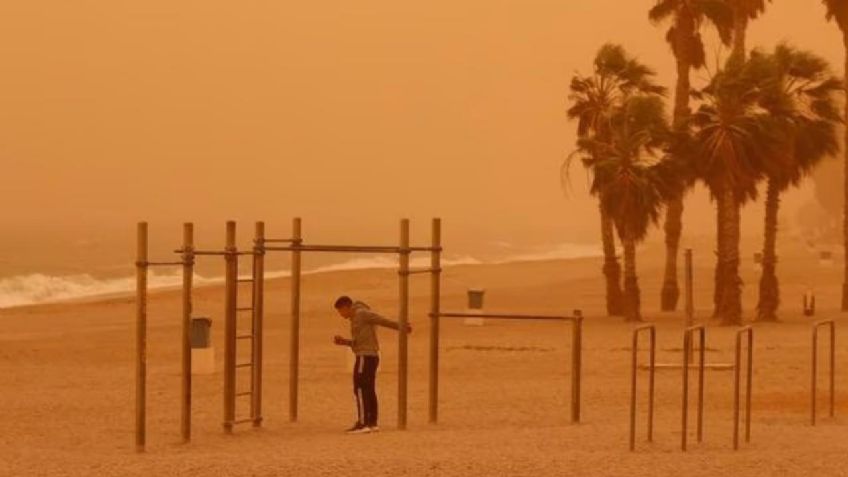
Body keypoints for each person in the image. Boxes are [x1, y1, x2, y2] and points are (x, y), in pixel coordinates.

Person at [332, 295, 412, 434]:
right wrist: (344, 342)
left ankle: (363, 423)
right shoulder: (356, 317)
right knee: (368, 389)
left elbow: (381, 320)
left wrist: (401, 326)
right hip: (367, 355)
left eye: (340, 311)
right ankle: (372, 422)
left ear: (346, 307)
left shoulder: (361, 313)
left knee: (360, 388)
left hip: (366, 356)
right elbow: (359, 342)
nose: (341, 315)